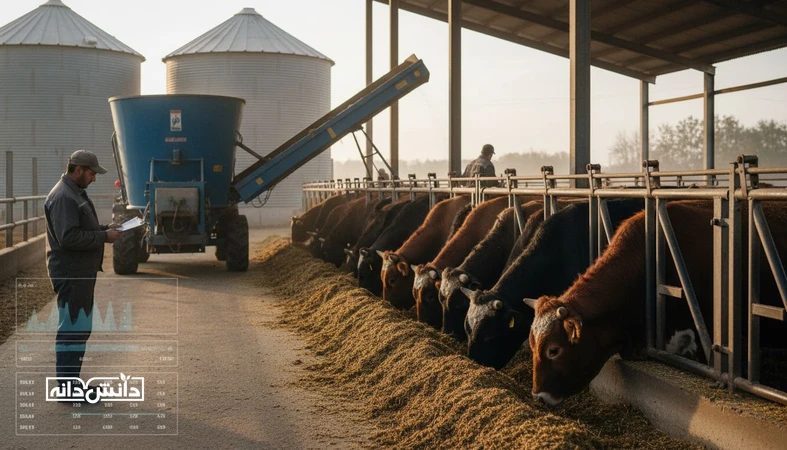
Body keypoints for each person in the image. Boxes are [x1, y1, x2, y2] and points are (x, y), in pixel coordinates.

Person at [44, 150, 121, 393]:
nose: (94, 178)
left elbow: (81, 227)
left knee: (78, 328)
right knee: (72, 329)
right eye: (91, 173)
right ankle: (68, 389)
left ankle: (71, 384)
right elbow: (68, 237)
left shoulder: (74, 193)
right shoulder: (64, 197)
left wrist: (105, 229)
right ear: (77, 170)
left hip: (78, 272)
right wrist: (104, 237)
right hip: (71, 273)